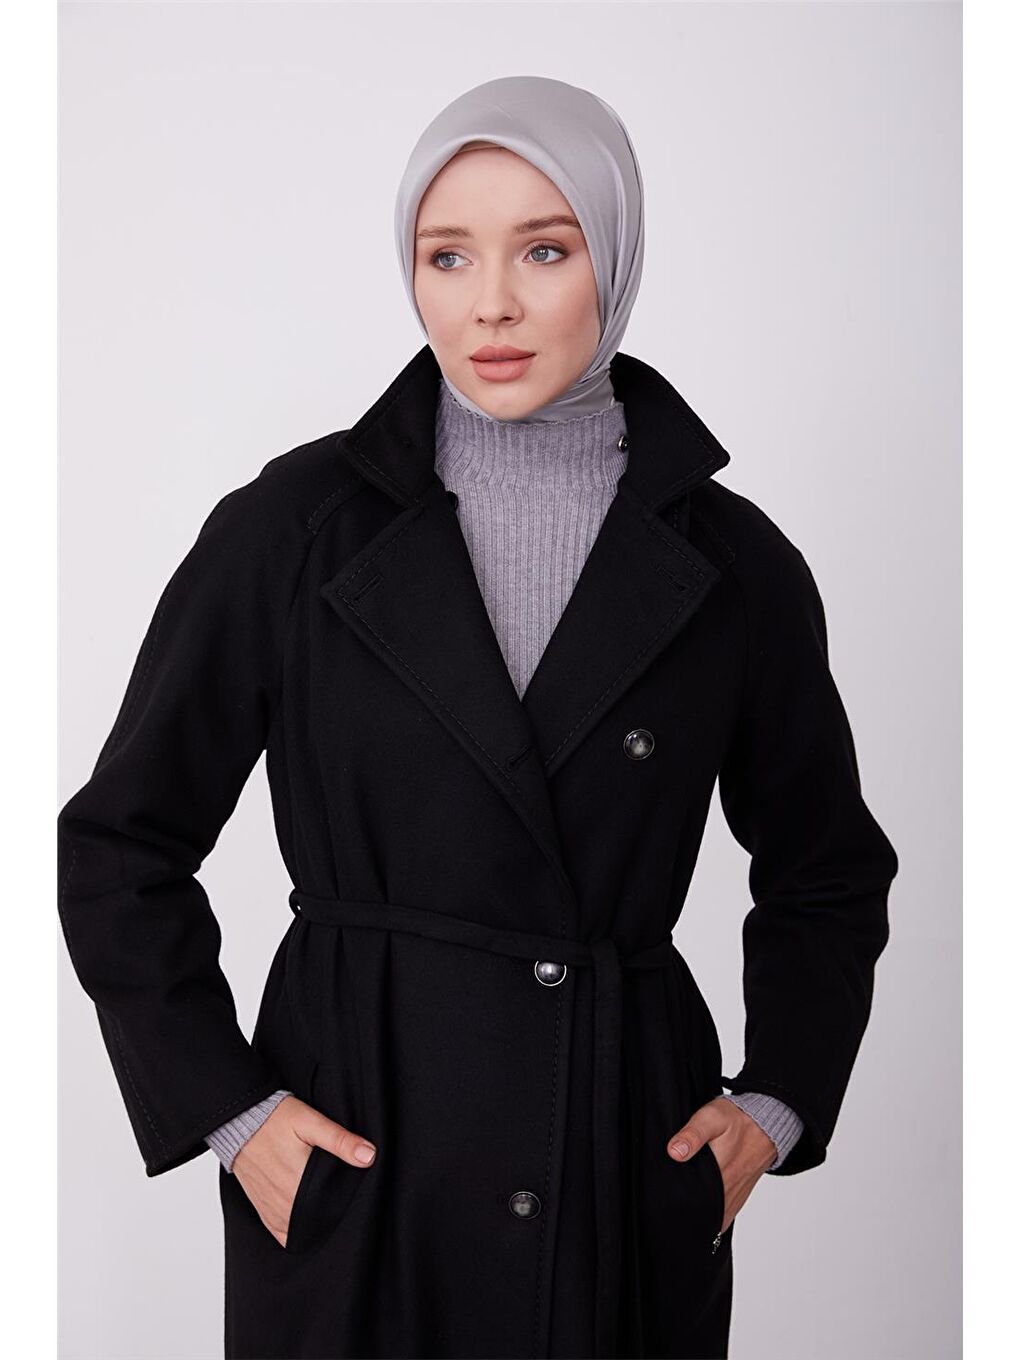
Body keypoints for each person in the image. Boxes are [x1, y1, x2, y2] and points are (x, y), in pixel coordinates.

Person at [57, 75, 899, 1360]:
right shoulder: (290, 532)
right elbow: (119, 845)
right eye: (447, 255)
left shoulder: (737, 566)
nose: (489, 303)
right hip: (362, 1162)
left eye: (544, 251)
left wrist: (778, 1100)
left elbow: (827, 869)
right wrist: (231, 1113)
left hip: (616, 1164)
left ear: (614, 259)